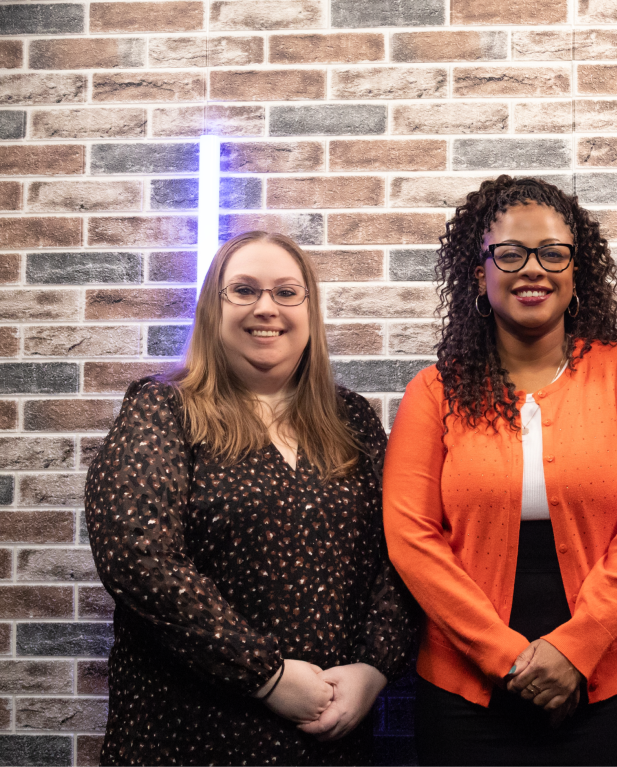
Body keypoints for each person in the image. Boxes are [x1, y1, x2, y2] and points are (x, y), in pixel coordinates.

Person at [382, 176, 617, 767]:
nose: (532, 270)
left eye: (552, 253)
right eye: (510, 254)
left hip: (604, 683)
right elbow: (410, 537)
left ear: (575, 273)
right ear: (479, 271)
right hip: (466, 693)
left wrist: (576, 649)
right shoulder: (433, 391)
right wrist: (504, 657)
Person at [84, 231, 416, 766]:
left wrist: (374, 669)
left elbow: (403, 549)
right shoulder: (164, 408)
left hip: (329, 734)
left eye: (287, 292)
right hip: (186, 732)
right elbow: (136, 557)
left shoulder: (351, 419)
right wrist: (266, 676)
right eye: (243, 290)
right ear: (213, 308)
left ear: (310, 311)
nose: (267, 307)